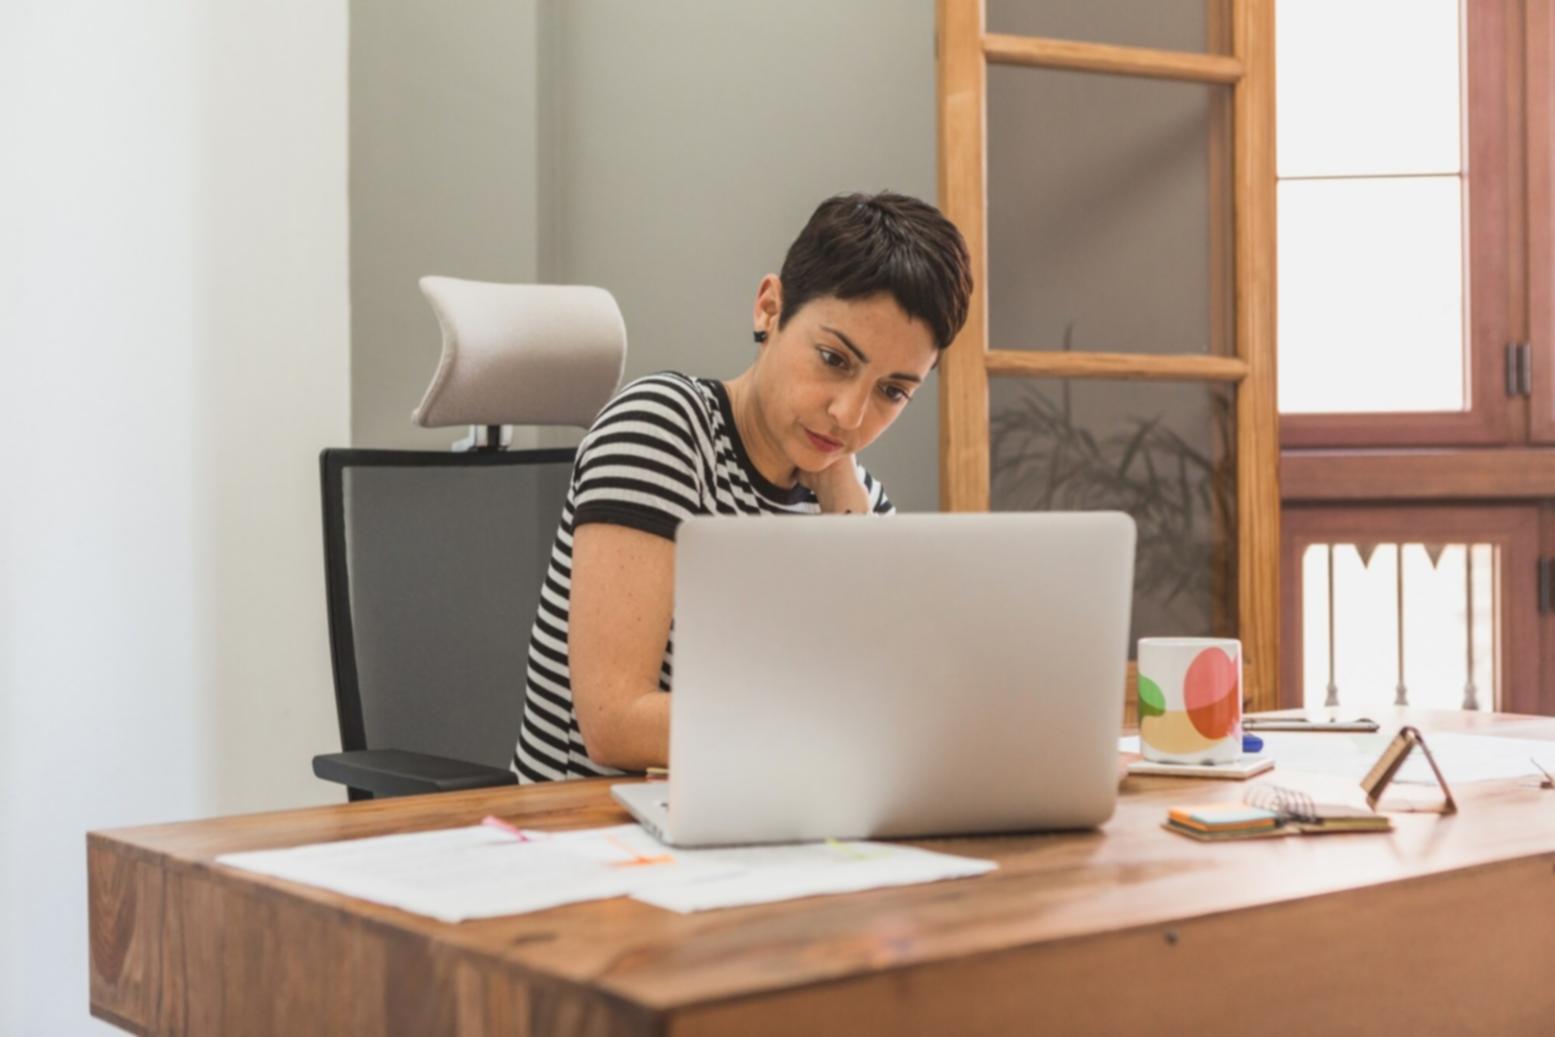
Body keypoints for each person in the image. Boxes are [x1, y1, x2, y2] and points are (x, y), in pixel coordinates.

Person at [513, 191, 973, 782]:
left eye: (892, 391)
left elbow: (893, 703)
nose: (849, 414)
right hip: (585, 824)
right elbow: (615, 723)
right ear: (769, 309)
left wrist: (843, 507)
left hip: (753, 814)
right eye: (834, 359)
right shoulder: (661, 428)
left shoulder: (857, 501)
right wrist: (840, 723)